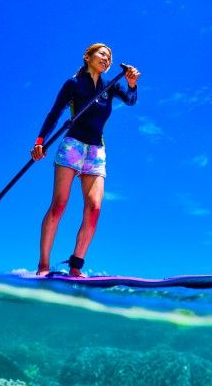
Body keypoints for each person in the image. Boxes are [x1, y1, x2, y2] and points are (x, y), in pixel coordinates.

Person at [31, 43, 140, 276]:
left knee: (94, 208)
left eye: (109, 57)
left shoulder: (111, 86)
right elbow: (55, 113)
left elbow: (131, 100)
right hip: (72, 146)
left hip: (96, 152)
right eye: (102, 54)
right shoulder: (73, 84)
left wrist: (132, 84)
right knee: (59, 206)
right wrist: (40, 141)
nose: (107, 58)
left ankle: (75, 267)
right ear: (87, 57)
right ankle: (43, 266)